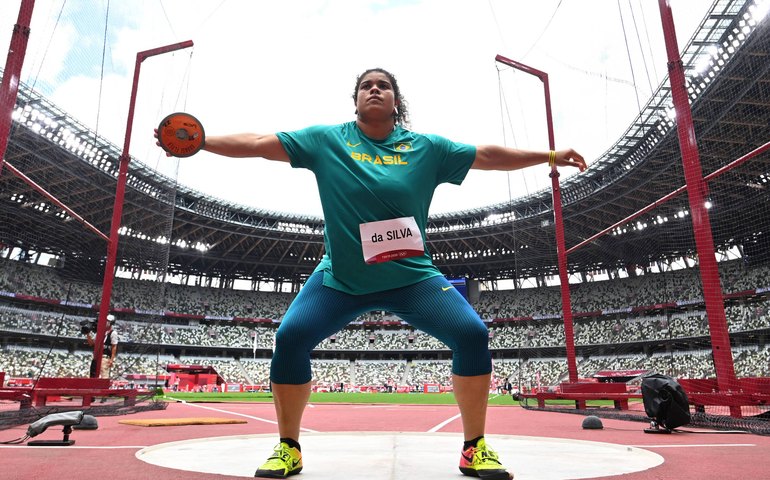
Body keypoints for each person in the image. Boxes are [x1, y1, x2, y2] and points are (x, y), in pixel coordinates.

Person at [156, 67, 585, 480]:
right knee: (290, 338)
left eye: (383, 85)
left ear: (397, 101)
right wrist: (202, 141)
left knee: (471, 334)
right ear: (356, 99)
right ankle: (288, 446)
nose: (374, 90)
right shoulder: (327, 140)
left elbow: (487, 156)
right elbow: (258, 143)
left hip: (412, 278)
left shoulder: (426, 148)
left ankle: (475, 448)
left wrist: (549, 155)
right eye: (366, 85)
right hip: (341, 280)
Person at [86, 314, 118, 379]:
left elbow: (114, 346)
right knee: (93, 376)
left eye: (107, 321)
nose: (106, 322)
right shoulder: (100, 332)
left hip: (105, 357)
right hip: (96, 357)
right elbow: (91, 343)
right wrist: (87, 334)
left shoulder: (113, 333)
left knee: (104, 376)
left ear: (111, 323)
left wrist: (111, 359)